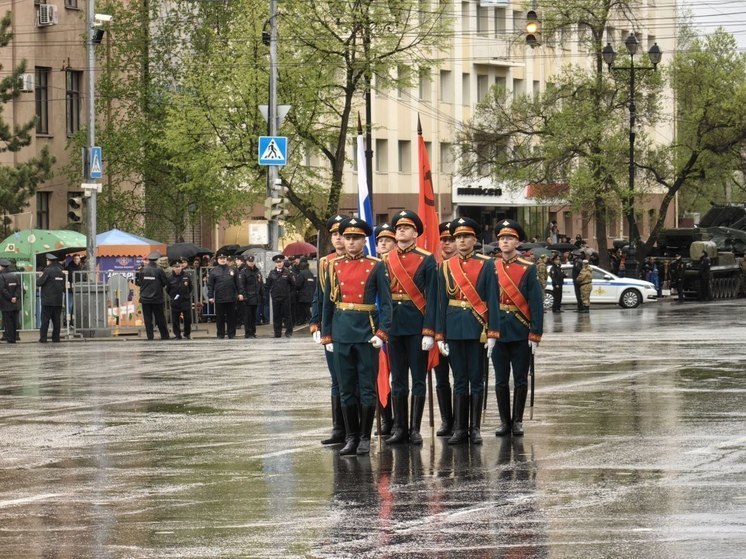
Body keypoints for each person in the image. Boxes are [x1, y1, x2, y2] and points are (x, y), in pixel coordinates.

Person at [321, 217, 392, 456]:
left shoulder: (376, 265)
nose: (351, 242)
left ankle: (363, 437)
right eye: (347, 237)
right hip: (341, 331)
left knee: (366, 388)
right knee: (345, 387)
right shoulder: (333, 265)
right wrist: (326, 334)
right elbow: (327, 303)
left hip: (366, 332)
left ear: (364, 240)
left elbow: (387, 303)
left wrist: (382, 332)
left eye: (356, 238)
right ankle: (350, 437)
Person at [435, 217, 500, 445]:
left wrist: (493, 333)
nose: (461, 241)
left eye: (466, 236)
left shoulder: (487, 264)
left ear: (474, 239)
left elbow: (492, 299)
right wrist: (440, 334)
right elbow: (441, 302)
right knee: (460, 379)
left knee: (477, 379)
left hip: (477, 328)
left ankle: (475, 428)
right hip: (453, 328)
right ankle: (460, 429)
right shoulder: (445, 266)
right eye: (458, 237)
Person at [382, 210, 438, 446]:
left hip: (416, 325)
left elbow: (433, 298)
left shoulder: (426, 259)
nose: (402, 231)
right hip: (393, 326)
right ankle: (399, 428)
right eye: (399, 228)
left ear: (416, 233)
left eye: (407, 228)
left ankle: (415, 428)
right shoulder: (385, 259)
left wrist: (429, 331)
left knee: (417, 379)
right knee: (397, 381)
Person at [491, 219, 544, 437]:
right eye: (502, 238)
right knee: (501, 379)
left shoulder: (528, 269)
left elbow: (536, 303)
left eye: (510, 238)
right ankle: (505, 421)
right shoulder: (491, 267)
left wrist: (535, 333)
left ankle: (518, 421)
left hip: (521, 330)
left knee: (520, 378)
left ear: (518, 242)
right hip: (498, 331)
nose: (505, 241)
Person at [311, 214, 348, 445]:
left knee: (351, 380)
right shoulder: (326, 262)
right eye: (334, 234)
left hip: (353, 325)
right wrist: (316, 323)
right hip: (331, 326)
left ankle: (355, 429)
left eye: (341, 234)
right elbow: (320, 296)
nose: (337, 238)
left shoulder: (364, 261)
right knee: (336, 379)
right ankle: (338, 428)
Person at [432, 221, 457, 437]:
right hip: (437, 331)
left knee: (461, 378)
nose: (447, 244)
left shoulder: (466, 266)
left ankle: (460, 421)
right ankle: (446, 420)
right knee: (441, 380)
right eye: (443, 240)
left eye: (450, 240)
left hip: (460, 330)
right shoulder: (434, 267)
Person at [373, 222, 397, 435]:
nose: (382, 244)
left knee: (396, 375)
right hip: (375, 325)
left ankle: (399, 420)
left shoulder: (399, 266)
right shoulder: (371, 266)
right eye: (380, 241)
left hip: (396, 326)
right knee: (378, 375)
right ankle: (385, 419)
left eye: (387, 241)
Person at [136, 252, 170, 341]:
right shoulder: (159, 270)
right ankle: (164, 335)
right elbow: (164, 282)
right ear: (156, 260)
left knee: (148, 319)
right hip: (157, 298)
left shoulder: (143, 270)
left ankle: (150, 336)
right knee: (160, 318)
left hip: (145, 298)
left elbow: (139, 283)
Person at [207, 251, 240, 338]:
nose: (222, 260)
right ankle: (220, 334)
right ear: (218, 260)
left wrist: (240, 293)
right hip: (219, 297)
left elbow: (238, 283)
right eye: (220, 258)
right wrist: (210, 296)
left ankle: (231, 334)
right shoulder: (213, 271)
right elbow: (210, 285)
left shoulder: (233, 269)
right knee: (220, 317)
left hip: (231, 297)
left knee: (231, 317)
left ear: (226, 259)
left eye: (224, 258)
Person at [37, 253, 66, 343]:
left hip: (48, 300)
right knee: (56, 320)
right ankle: (56, 338)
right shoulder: (61, 271)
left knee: (45, 320)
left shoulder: (48, 271)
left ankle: (43, 338)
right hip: (58, 300)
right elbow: (63, 286)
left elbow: (39, 283)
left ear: (49, 261)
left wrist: (39, 277)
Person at [266, 254, 296, 338]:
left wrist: (289, 294)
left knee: (287, 315)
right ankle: (277, 332)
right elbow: (268, 285)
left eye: (280, 262)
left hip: (285, 297)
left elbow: (293, 285)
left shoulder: (288, 272)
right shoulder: (272, 273)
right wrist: (272, 293)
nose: (279, 264)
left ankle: (288, 332)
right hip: (276, 297)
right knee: (276, 315)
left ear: (283, 262)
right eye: (277, 262)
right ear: (275, 263)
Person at [167, 259, 193, 339]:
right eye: (176, 267)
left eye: (179, 266)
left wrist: (185, 294)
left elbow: (190, 287)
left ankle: (187, 333)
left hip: (185, 300)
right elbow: (168, 289)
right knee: (175, 319)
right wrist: (173, 296)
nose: (178, 268)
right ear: (173, 268)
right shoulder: (170, 278)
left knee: (187, 318)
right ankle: (177, 335)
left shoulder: (186, 276)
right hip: (175, 301)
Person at [238, 255, 263, 338]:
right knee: (247, 317)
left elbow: (260, 283)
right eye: (249, 261)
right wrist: (244, 296)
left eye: (252, 261)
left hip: (255, 297)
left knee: (253, 316)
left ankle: (253, 332)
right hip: (248, 297)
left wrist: (261, 295)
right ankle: (248, 333)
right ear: (247, 262)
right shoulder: (244, 272)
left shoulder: (257, 271)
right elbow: (241, 285)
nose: (251, 263)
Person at [0, 258, 21, 343]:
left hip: (6, 303)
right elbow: (18, 287)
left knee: (8, 322)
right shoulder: (14, 275)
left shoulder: (1, 276)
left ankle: (10, 339)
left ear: (1, 267)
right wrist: (15, 297)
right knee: (14, 321)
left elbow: (2, 289)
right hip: (15, 303)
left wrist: (10, 298)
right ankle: (14, 337)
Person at [295, 257, 315, 325]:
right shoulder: (310, 273)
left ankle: (309, 320)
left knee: (304, 309)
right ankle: (308, 319)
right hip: (310, 294)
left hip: (303, 294)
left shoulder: (302, 273)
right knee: (307, 308)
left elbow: (298, 284)